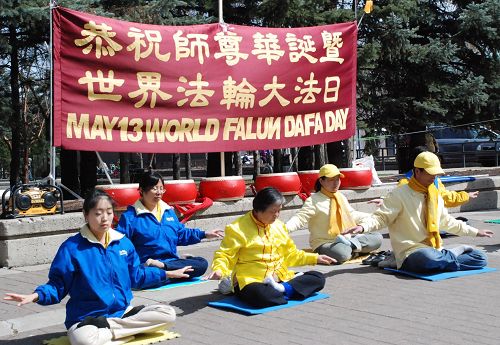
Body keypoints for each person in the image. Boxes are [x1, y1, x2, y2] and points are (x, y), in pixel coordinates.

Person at [4, 189, 176, 345]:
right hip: (87, 319)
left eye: (109, 213)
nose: (105, 218)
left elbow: (137, 275)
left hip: (122, 312)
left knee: (168, 314)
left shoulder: (123, 243)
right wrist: (36, 295)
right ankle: (125, 332)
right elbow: (58, 285)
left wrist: (166, 273)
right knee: (83, 340)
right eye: (98, 213)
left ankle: (112, 330)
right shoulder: (72, 248)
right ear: (86, 215)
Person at [345, 152, 494, 273]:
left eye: (436, 174)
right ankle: (450, 255)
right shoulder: (399, 194)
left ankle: (446, 258)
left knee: (480, 258)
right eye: (430, 173)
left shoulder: (435, 193)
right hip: (411, 251)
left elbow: (446, 221)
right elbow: (381, 218)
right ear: (417, 171)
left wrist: (475, 232)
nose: (434, 177)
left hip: (434, 249)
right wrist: (363, 227)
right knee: (428, 258)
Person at [206, 187, 335, 308]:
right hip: (252, 281)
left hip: (278, 278)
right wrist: (219, 270)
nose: (277, 215)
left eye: (279, 211)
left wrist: (315, 258)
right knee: (262, 295)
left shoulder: (279, 226)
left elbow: (291, 254)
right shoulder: (237, 229)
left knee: (318, 278)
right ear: (257, 210)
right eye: (273, 211)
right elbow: (225, 255)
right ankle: (286, 290)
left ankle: (283, 289)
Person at [116, 171, 223, 287]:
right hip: (147, 265)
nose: (159, 193)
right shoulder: (130, 217)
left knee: (201, 263)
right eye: (154, 188)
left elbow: (180, 234)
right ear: (141, 190)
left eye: (161, 188)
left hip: (169, 263)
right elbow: (121, 246)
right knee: (140, 274)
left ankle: (167, 272)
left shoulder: (168, 212)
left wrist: (204, 234)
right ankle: (167, 274)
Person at [286, 164, 383, 264]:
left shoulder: (340, 196)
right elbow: (299, 218)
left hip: (346, 239)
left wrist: (374, 216)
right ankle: (355, 247)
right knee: (342, 254)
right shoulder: (313, 201)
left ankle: (352, 247)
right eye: (331, 180)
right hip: (325, 242)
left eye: (338, 179)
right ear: (321, 181)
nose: (336, 183)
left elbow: (352, 214)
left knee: (378, 237)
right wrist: (284, 229)